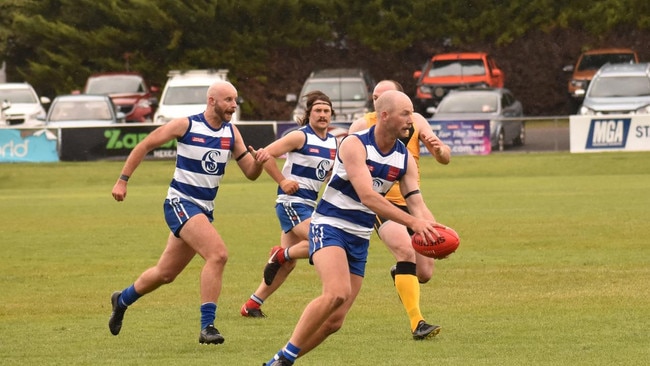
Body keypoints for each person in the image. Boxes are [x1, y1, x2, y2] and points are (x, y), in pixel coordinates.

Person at [264, 90, 446, 365]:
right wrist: (412, 222)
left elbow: (416, 203)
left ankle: (281, 360)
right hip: (330, 225)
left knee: (335, 321)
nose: (412, 120)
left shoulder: (404, 159)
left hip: (359, 237)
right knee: (336, 292)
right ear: (384, 116)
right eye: (406, 114)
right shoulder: (354, 144)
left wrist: (433, 231)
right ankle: (284, 359)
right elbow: (368, 196)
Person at [108, 80, 270, 344]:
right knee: (218, 255)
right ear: (211, 101)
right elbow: (145, 145)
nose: (233, 105)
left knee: (165, 274)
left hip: (203, 211)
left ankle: (122, 300)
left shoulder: (232, 133)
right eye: (228, 100)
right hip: (180, 203)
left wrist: (260, 163)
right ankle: (208, 327)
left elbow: (251, 173)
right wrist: (122, 180)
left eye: (235, 99)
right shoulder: (186, 125)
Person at [348, 80, 451, 339]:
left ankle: (401, 273)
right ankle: (418, 323)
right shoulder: (362, 126)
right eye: (375, 97)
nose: (377, 101)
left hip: (412, 200)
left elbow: (444, 158)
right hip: (381, 203)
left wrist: (439, 150)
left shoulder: (413, 121)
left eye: (383, 96)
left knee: (424, 273)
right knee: (406, 251)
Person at [240, 91, 338, 318]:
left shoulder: (334, 143)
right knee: (322, 240)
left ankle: (252, 305)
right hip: (291, 203)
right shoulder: (299, 137)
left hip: (308, 204)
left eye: (326, 111)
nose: (322, 115)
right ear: (309, 114)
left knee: (289, 264)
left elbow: (329, 175)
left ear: (331, 114)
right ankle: (280, 254)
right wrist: (282, 181)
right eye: (318, 111)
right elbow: (264, 154)